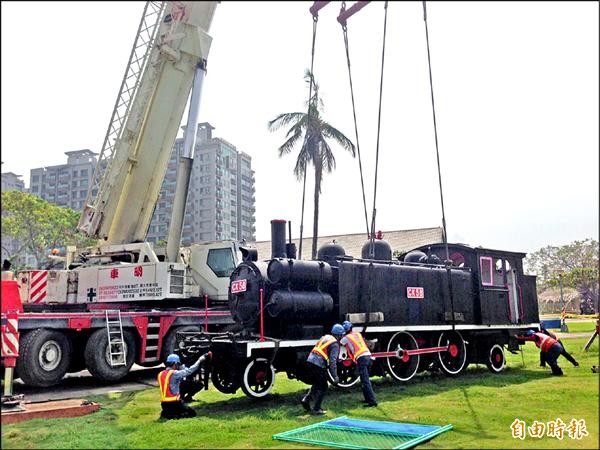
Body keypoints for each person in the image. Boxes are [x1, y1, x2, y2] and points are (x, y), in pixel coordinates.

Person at [301, 324, 343, 415]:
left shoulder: (326, 337)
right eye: (342, 335)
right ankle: (317, 409)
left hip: (310, 361)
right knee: (324, 386)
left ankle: (306, 400)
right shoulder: (335, 344)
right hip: (318, 364)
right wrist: (335, 376)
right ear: (339, 335)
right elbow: (332, 362)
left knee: (317, 383)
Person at [158, 352, 211, 419]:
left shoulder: (160, 374)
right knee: (192, 413)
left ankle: (167, 413)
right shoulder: (175, 373)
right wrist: (199, 360)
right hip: (174, 403)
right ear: (175, 364)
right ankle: (175, 416)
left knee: (170, 411)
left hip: (164, 404)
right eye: (178, 364)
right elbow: (189, 371)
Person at [340, 320, 377, 407]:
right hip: (368, 356)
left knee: (365, 381)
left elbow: (340, 343)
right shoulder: (357, 334)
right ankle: (367, 399)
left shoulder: (346, 338)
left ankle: (372, 402)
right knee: (364, 380)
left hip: (361, 359)